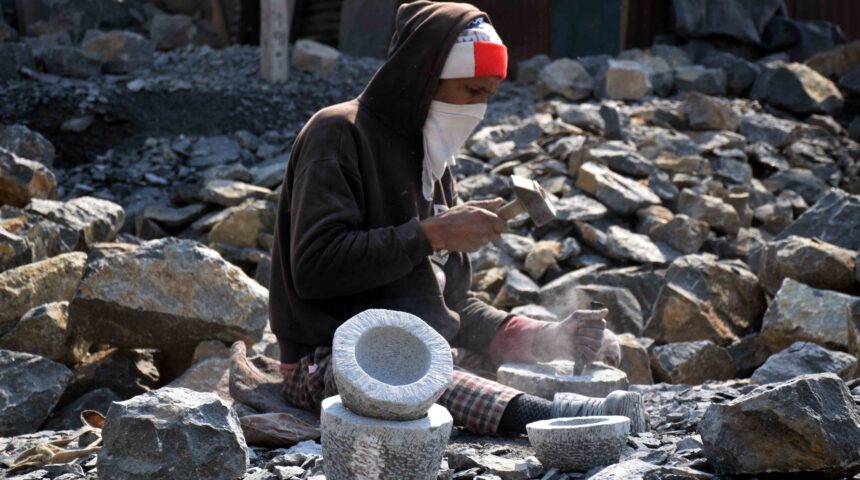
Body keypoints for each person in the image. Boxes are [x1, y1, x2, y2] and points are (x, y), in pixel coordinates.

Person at [269, 0, 627, 435]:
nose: (478, 110)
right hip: (330, 357)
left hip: (422, 349)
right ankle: (559, 421)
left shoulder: (433, 163)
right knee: (427, 377)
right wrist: (430, 234)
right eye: (471, 91)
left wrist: (546, 336)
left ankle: (562, 412)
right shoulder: (338, 133)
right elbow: (314, 268)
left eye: (488, 96)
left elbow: (453, 307)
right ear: (423, 79)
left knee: (516, 365)